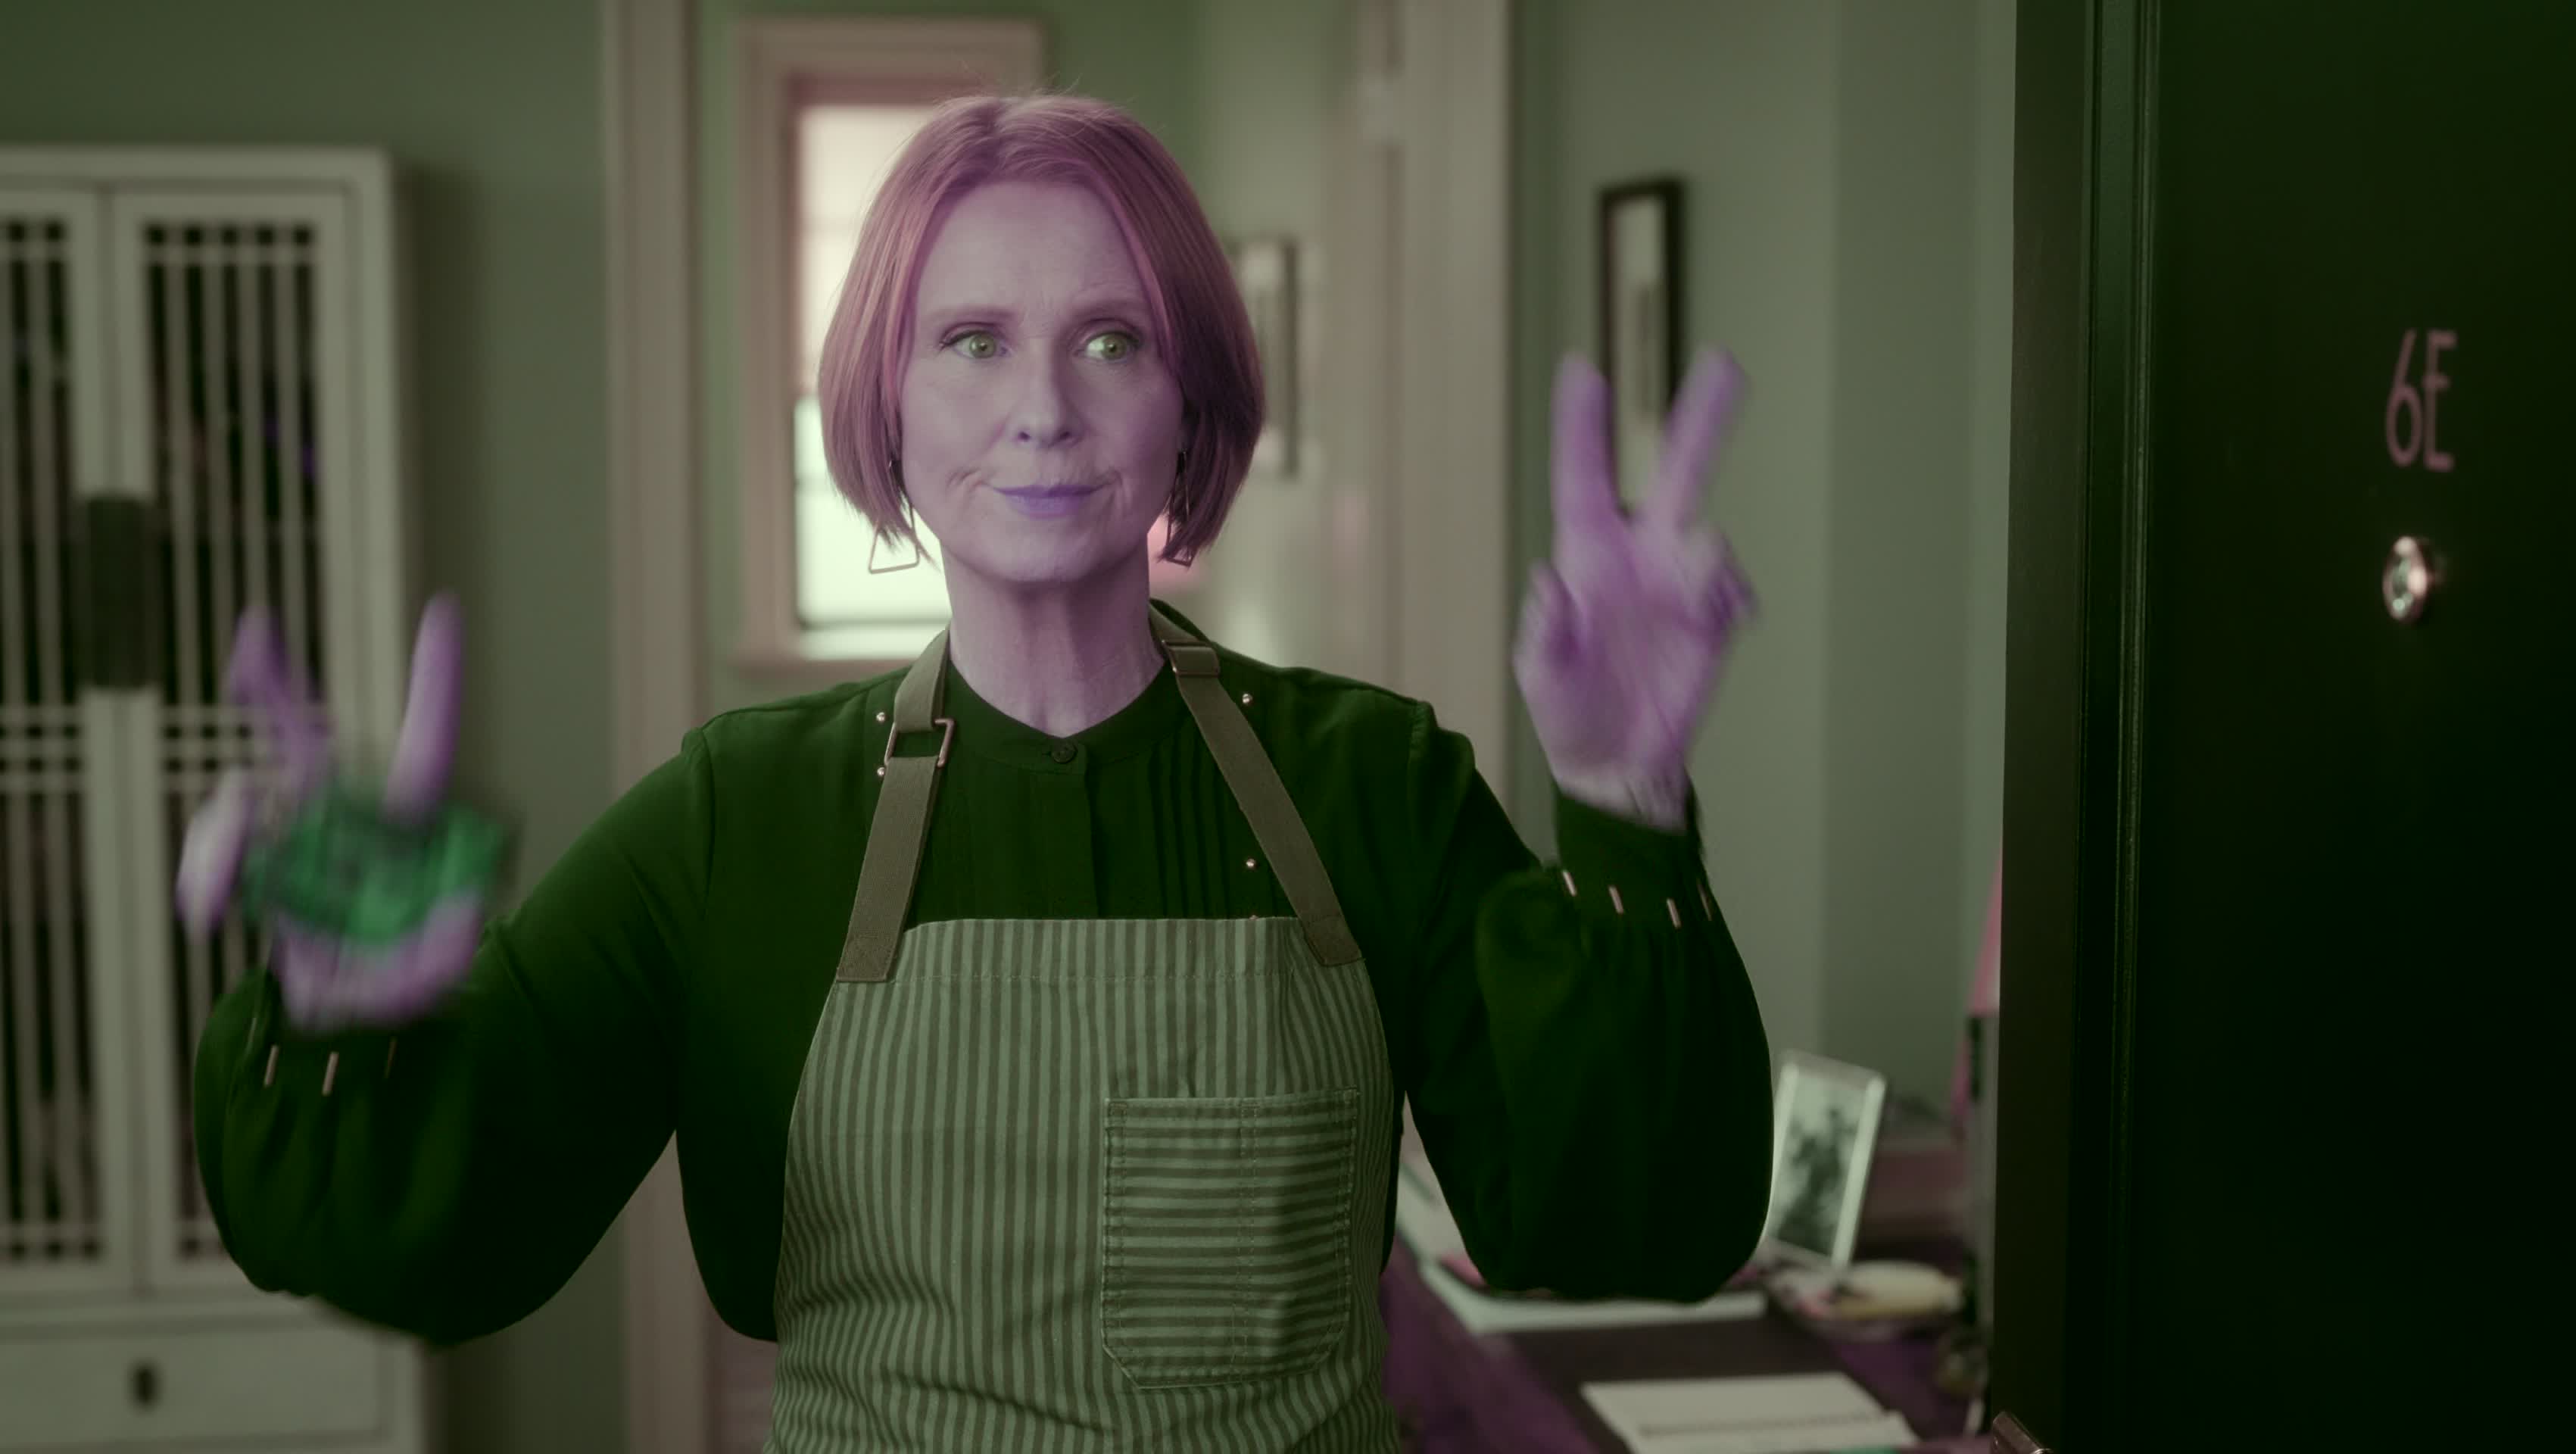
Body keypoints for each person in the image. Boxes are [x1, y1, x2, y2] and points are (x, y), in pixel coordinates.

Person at [186, 91, 1773, 1452]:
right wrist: (336, 1030)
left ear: (1189, 402)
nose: (1044, 411)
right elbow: (453, 1244)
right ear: (884, 400)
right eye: (972, 341)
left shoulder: (1374, 782)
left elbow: (1628, 1228)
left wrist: (1624, 811)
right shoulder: (739, 818)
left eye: (1111, 339)